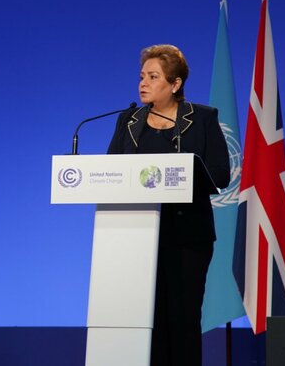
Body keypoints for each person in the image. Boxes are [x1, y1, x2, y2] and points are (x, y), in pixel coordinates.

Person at [107, 44, 230, 366]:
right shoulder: (129, 120)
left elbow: (220, 174)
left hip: (188, 235)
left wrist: (177, 176)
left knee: (183, 317)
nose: (143, 83)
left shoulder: (202, 118)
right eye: (141, 76)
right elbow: (111, 170)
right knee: (149, 318)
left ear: (175, 84)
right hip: (137, 236)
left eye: (153, 77)